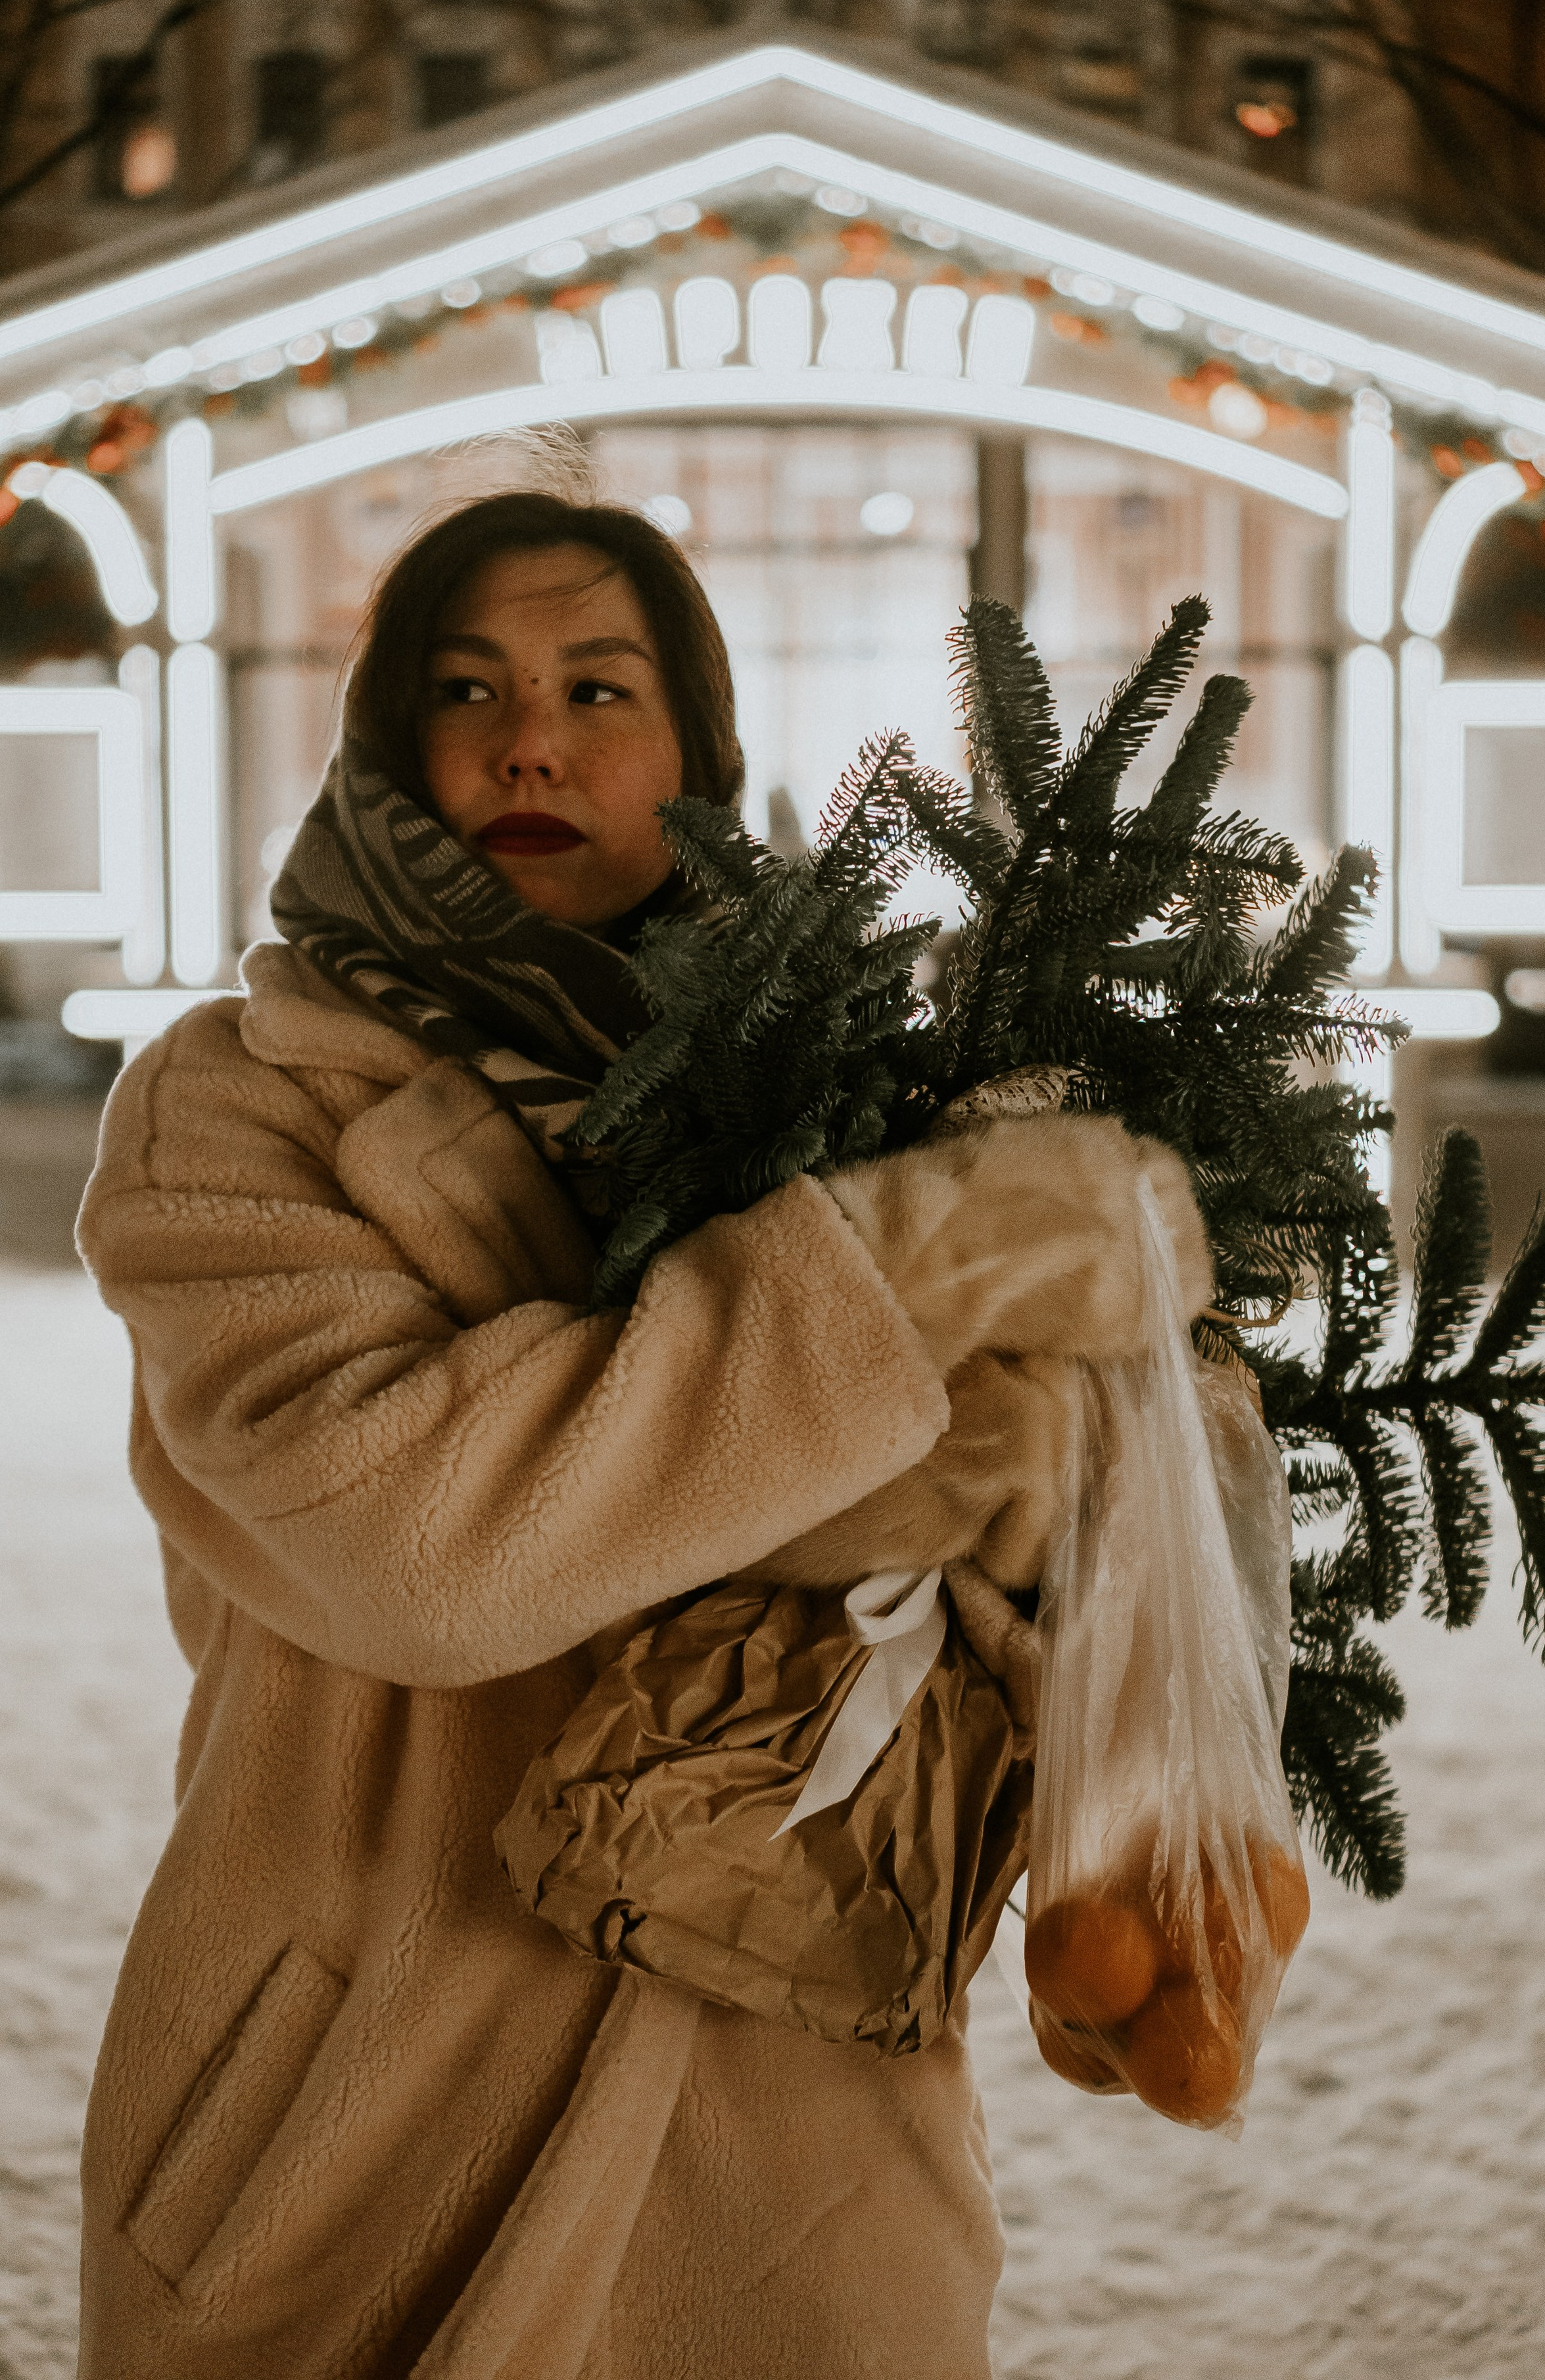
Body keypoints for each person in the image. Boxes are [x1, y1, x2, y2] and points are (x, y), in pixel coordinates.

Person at [75, 490, 1212, 2379]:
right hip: (369, 2096)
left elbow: (1010, 1580)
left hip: (794, 2106)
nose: (530, 741)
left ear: (697, 754)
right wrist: (910, 1268)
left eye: (599, 688)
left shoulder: (864, 1082)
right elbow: (417, 1549)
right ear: (389, 741)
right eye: (469, 689)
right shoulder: (236, 1110)